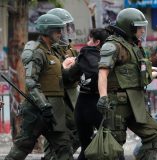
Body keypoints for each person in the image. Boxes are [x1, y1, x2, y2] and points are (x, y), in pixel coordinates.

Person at [97, 8, 157, 159]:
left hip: (135, 104)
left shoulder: (133, 46)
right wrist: (103, 97)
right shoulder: (113, 45)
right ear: (130, 27)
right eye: (139, 27)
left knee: (155, 136)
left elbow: (138, 74)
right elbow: (103, 72)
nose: (142, 31)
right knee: (113, 150)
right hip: (117, 104)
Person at [5, 14, 73, 160]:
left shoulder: (52, 51)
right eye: (57, 30)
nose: (60, 33)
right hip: (37, 109)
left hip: (53, 109)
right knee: (23, 146)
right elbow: (31, 82)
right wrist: (44, 106)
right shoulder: (37, 52)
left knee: (64, 148)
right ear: (48, 31)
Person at [63, 28, 110, 160]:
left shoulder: (83, 55)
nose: (88, 42)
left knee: (85, 147)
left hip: (82, 103)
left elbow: (69, 76)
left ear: (97, 42)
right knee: (109, 143)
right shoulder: (108, 58)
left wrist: (65, 67)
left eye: (90, 39)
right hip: (99, 102)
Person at [44, 8, 80, 159]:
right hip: (56, 97)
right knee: (57, 133)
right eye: (63, 29)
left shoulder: (70, 49)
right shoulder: (45, 49)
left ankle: (60, 155)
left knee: (80, 130)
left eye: (68, 28)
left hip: (72, 95)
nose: (66, 32)